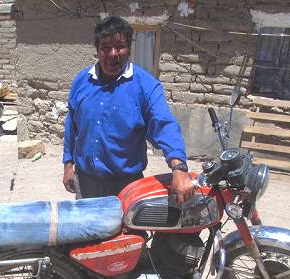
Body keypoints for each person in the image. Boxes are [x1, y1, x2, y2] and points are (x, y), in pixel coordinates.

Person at [62, 16, 194, 202]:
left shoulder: (146, 86)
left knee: (129, 231)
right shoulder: (81, 81)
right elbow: (72, 126)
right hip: (86, 183)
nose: (113, 53)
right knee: (88, 231)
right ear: (98, 50)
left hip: (127, 185)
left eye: (120, 46)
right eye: (106, 47)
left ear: (130, 48)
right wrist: (68, 164)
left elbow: (164, 124)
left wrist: (179, 168)